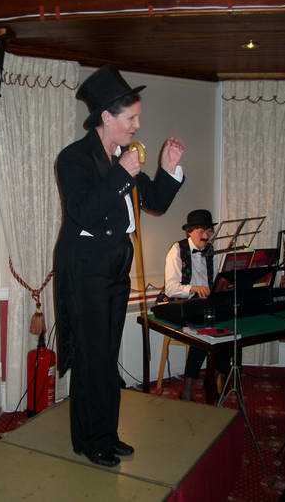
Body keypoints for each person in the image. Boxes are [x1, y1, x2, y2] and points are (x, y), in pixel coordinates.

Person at [54, 64, 185, 467]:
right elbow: (84, 213)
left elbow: (155, 201)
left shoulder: (122, 158)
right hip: (86, 268)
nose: (137, 126)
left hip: (114, 265)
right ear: (106, 117)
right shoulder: (73, 159)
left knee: (107, 356)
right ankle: (89, 440)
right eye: (131, 118)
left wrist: (168, 168)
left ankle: (107, 434)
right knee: (91, 357)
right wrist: (120, 174)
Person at [163, 209, 231, 401]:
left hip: (205, 305)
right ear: (190, 231)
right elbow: (170, 288)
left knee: (228, 326)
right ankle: (188, 386)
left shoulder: (210, 250)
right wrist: (193, 288)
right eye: (201, 231)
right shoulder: (177, 250)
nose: (206, 236)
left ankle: (217, 376)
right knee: (203, 330)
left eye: (209, 231)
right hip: (181, 303)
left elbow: (214, 280)